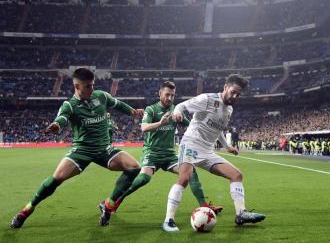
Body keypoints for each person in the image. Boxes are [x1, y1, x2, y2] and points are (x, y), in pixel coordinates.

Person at [10, 68, 144, 228]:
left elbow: (117, 104)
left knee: (134, 167)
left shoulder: (101, 96)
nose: (91, 89)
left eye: (92, 85)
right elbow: (62, 117)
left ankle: (108, 205)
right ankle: (27, 209)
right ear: (76, 86)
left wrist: (133, 111)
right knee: (56, 179)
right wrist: (56, 125)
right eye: (87, 86)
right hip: (82, 151)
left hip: (104, 149)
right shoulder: (70, 105)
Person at [99, 81, 222, 226]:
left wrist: (190, 122)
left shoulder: (176, 110)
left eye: (172, 95)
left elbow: (191, 126)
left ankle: (204, 206)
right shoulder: (151, 110)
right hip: (152, 152)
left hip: (169, 155)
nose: (170, 98)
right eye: (167, 94)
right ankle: (116, 201)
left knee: (190, 171)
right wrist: (160, 123)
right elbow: (144, 128)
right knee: (144, 179)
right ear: (160, 93)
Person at [162, 74, 266, 232]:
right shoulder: (208, 99)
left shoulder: (229, 109)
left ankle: (241, 214)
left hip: (208, 151)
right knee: (184, 178)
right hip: (191, 144)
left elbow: (219, 130)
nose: (235, 96)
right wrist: (177, 112)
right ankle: (168, 220)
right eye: (233, 92)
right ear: (225, 87)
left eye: (238, 94)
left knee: (236, 175)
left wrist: (227, 146)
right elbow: (182, 106)